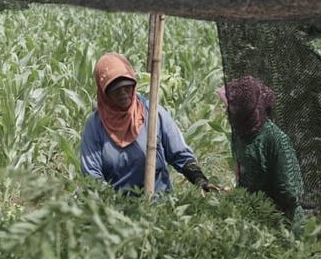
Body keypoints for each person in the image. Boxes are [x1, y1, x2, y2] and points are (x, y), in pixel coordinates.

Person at [80, 53, 219, 195]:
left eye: (127, 87)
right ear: (105, 94)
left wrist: (200, 179)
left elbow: (180, 155)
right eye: (116, 90)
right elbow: (92, 175)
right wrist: (110, 206)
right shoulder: (95, 126)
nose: (123, 93)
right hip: (118, 207)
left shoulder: (152, 113)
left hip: (159, 203)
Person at [219, 76, 304, 230]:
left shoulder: (275, 139)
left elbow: (290, 193)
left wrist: (264, 204)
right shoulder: (239, 135)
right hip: (253, 219)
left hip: (282, 223)